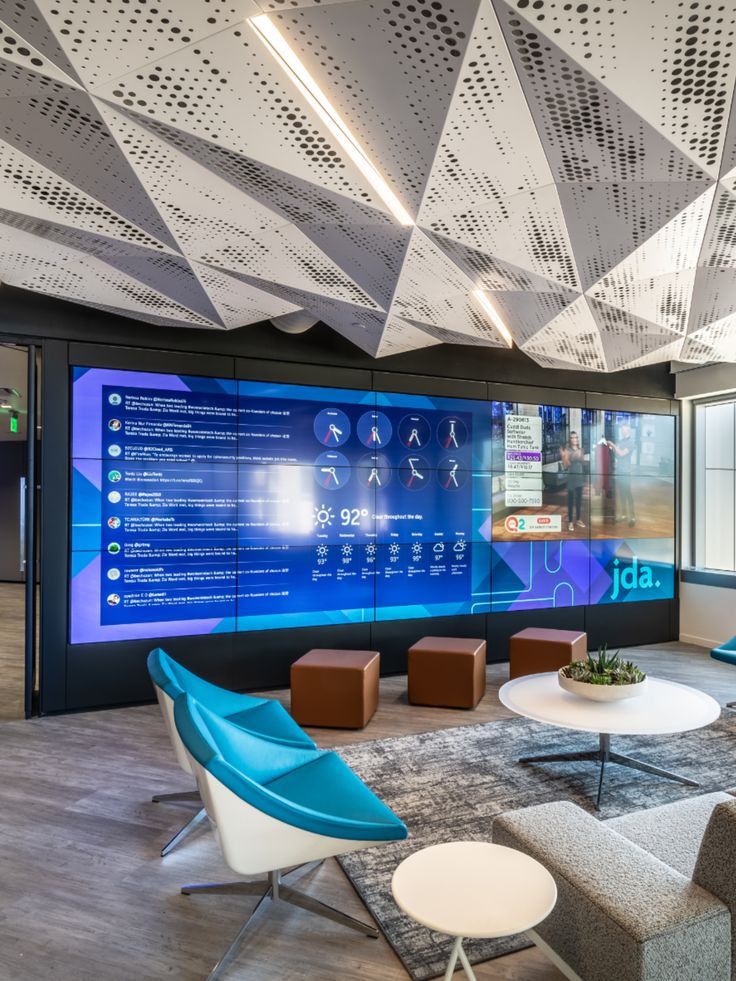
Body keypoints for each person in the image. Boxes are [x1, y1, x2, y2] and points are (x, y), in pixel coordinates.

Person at [607, 422, 636, 527]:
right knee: (622, 495)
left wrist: (614, 445)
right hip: (619, 471)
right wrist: (611, 447)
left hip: (626, 472)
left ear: (627, 430)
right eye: (621, 430)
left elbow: (622, 453)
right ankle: (624, 515)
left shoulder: (631, 442)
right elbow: (617, 455)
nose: (622, 431)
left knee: (628, 494)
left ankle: (632, 516)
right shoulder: (621, 441)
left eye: (623, 430)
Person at [560, 431, 585, 533]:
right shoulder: (568, 450)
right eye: (572, 438)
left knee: (579, 500)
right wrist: (564, 456)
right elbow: (566, 465)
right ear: (570, 440)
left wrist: (580, 455)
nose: (575, 439)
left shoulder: (580, 449)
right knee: (571, 501)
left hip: (579, 477)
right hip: (571, 478)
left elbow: (582, 462)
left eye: (576, 437)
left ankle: (578, 519)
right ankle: (570, 521)